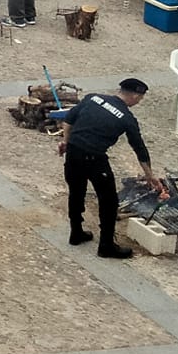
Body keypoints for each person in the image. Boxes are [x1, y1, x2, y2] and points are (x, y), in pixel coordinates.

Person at [51, 78, 164, 258]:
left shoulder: (92, 98)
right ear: (135, 96)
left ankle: (76, 232)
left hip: (73, 152)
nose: (139, 102)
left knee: (76, 193)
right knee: (109, 201)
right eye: (140, 98)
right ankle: (106, 245)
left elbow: (69, 119)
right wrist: (150, 176)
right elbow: (139, 149)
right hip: (94, 158)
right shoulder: (127, 118)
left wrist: (65, 141)